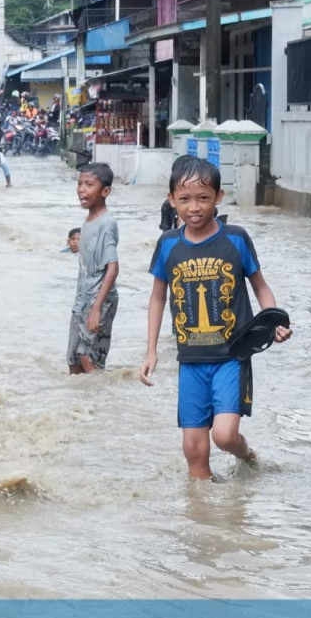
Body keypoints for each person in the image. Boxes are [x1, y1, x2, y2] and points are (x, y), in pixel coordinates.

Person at [139, 156, 292, 480]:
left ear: (219, 197)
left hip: (231, 356)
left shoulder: (236, 239)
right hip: (190, 359)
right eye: (185, 199)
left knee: (223, 436)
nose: (194, 207)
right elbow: (157, 298)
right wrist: (151, 351)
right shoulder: (168, 245)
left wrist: (274, 320)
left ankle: (247, 455)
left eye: (203, 198)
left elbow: (261, 288)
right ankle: (206, 521)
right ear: (172, 200)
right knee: (194, 452)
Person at [67, 163, 119, 374]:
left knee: (88, 357)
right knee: (73, 358)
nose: (81, 189)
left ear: (105, 191)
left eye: (89, 185)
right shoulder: (89, 221)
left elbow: (113, 267)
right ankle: (79, 406)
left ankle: (102, 402)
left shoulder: (106, 223)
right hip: (82, 300)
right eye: (79, 184)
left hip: (99, 300)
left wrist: (96, 308)